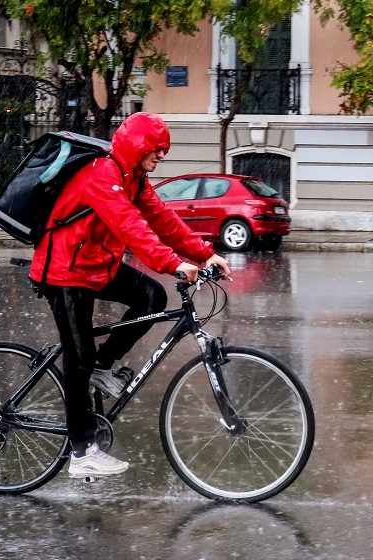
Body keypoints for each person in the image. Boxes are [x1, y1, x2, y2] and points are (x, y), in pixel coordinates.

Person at [29, 112, 231, 478]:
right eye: (156, 151)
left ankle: (103, 368)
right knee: (78, 356)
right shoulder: (102, 174)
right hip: (64, 270)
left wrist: (204, 254)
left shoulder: (134, 178)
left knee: (151, 297)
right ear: (137, 146)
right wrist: (171, 263)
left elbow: (162, 219)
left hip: (95, 266)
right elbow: (129, 224)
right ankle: (81, 450)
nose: (160, 158)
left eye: (162, 153)